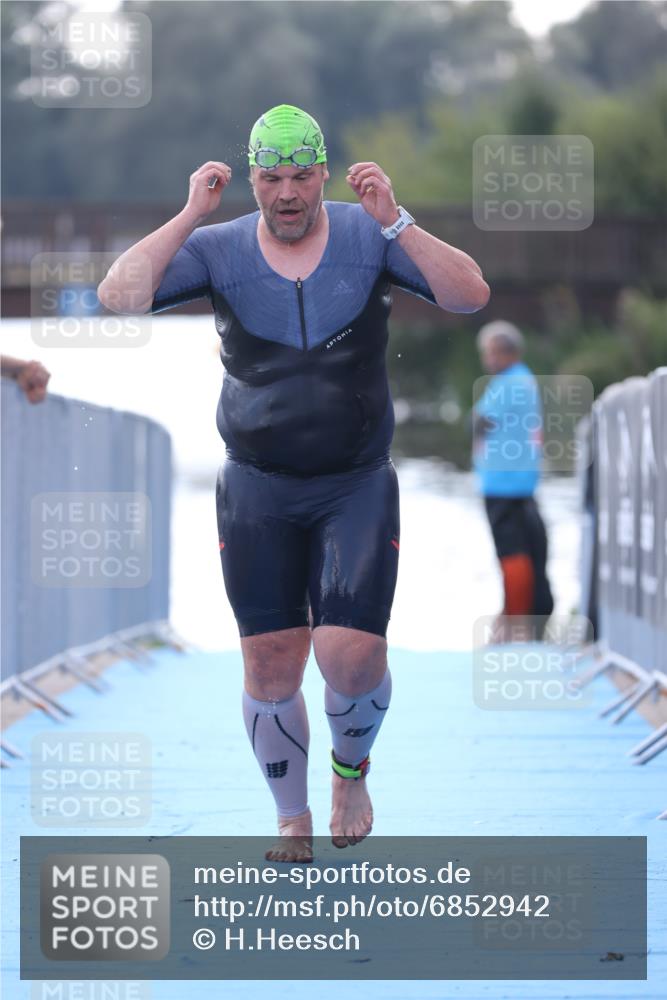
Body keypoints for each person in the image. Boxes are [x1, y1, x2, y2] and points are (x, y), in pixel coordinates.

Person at [98, 104, 489, 862]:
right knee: (270, 661)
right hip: (257, 488)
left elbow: (469, 294)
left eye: (300, 177)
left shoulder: (366, 234)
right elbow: (117, 296)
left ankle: (350, 774)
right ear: (250, 179)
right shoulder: (215, 248)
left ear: (323, 173)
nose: (285, 194)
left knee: (350, 655)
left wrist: (396, 219)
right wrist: (187, 214)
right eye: (270, 178)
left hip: (354, 484)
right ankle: (290, 816)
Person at [472, 320, 554, 643]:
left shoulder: (509, 383)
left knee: (512, 551)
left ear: (508, 352)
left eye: (491, 352)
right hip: (521, 481)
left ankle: (517, 624)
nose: (487, 359)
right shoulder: (524, 379)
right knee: (528, 549)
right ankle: (521, 618)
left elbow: (480, 421)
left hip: (503, 483)